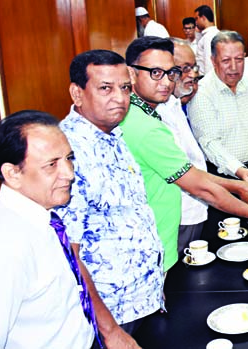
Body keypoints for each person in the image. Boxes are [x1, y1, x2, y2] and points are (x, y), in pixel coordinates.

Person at [121, 36, 248, 271]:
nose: (168, 81)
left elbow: (192, 172)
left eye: (172, 72)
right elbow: (198, 184)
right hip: (158, 233)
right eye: (156, 72)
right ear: (131, 74)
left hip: (169, 227)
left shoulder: (156, 109)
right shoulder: (143, 125)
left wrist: (239, 186)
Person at [56, 49, 163, 347]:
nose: (119, 97)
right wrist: (110, 331)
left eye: (125, 87)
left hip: (141, 299)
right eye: (105, 88)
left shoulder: (113, 134)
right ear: (77, 93)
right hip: (110, 314)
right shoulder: (67, 153)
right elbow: (70, 253)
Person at [0, 110, 95, 348]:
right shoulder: (2, 247)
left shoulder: (39, 216)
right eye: (52, 165)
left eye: (69, 158)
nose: (69, 173)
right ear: (13, 173)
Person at [155, 39, 207, 255]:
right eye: (184, 69)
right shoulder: (155, 114)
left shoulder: (176, 103)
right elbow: (187, 176)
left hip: (197, 209)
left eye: (193, 67)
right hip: (180, 217)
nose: (192, 75)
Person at [188, 31, 248, 181]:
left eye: (239, 59)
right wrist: (238, 169)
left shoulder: (247, 83)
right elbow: (209, 142)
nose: (234, 67)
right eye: (226, 60)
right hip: (223, 175)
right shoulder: (203, 92)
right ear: (213, 61)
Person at [194, 5, 219, 75]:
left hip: (206, 77)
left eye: (197, 19)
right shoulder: (212, 33)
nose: (196, 22)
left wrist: (207, 83)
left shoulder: (208, 37)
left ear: (203, 18)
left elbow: (209, 62)